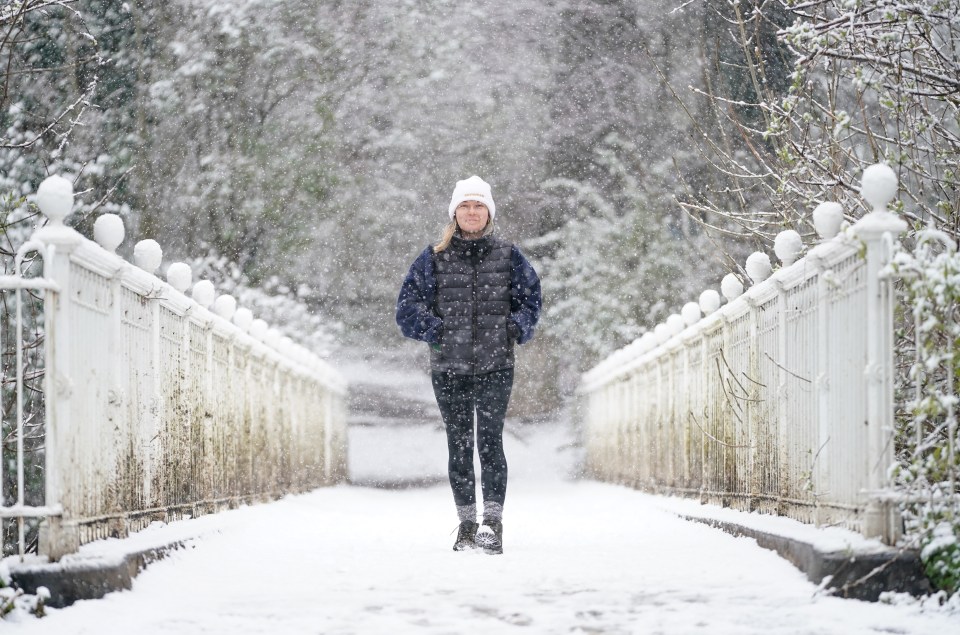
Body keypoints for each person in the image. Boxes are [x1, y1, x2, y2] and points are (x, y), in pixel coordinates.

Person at [396, 175, 541, 555]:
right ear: (455, 213)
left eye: (479, 206)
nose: (472, 212)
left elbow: (531, 302)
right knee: (459, 447)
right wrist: (436, 331)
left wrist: (515, 327)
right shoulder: (433, 258)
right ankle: (466, 525)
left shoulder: (510, 256)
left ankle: (492, 525)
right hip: (449, 369)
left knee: (490, 443)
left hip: (496, 366)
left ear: (488, 212)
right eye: (465, 205)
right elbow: (406, 309)